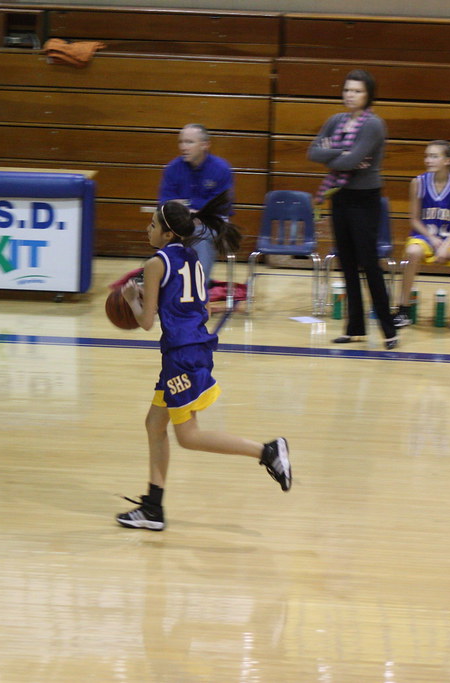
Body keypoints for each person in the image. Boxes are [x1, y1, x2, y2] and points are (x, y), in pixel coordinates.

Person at [116, 192, 292, 532]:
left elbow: (146, 321)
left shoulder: (155, 264)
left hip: (181, 355)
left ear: (168, 234)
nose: (147, 229)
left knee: (188, 436)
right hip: (192, 348)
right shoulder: (192, 256)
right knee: (155, 424)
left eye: (152, 225)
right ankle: (153, 508)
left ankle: (267, 451)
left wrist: (131, 298)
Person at [307, 69, 397, 350]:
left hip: (365, 199)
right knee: (345, 261)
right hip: (341, 196)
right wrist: (343, 156)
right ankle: (354, 328)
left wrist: (338, 155)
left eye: (356, 91)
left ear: (368, 95)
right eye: (347, 90)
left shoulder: (374, 125)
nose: (350, 95)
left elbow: (354, 159)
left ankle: (389, 330)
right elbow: (313, 152)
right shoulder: (336, 121)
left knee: (369, 264)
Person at [393, 141, 450, 333]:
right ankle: (403, 309)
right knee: (412, 251)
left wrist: (445, 245)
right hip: (425, 235)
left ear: (448, 160)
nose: (428, 160)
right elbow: (414, 219)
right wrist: (433, 239)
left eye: (434, 156)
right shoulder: (418, 182)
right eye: (427, 156)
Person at [158, 124, 233, 286]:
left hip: (213, 222)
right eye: (181, 142)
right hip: (180, 222)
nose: (183, 147)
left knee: (200, 234)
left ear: (205, 145)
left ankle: (197, 286)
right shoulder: (172, 168)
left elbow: (221, 207)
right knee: (163, 229)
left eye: (189, 142)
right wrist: (191, 211)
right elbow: (165, 202)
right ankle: (174, 283)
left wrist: (186, 207)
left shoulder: (221, 168)